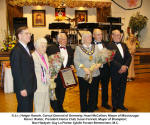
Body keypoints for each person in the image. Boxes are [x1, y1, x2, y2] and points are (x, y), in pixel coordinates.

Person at [10, 26, 37, 112]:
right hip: (24, 88)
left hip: (29, 86)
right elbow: (16, 72)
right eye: (26, 33)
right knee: (24, 110)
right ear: (19, 36)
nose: (29, 35)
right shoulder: (16, 50)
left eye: (29, 33)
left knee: (28, 110)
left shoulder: (26, 48)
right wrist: (22, 88)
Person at [74, 31, 101, 112]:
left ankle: (91, 110)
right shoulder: (78, 48)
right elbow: (76, 61)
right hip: (83, 75)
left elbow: (101, 59)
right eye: (87, 37)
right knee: (83, 94)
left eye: (90, 36)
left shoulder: (96, 47)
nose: (89, 38)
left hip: (95, 74)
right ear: (83, 38)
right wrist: (84, 68)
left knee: (93, 94)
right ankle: (84, 112)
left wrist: (98, 65)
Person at [46, 32, 74, 112]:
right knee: (54, 93)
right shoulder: (51, 48)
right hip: (55, 76)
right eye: (61, 39)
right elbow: (47, 61)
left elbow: (71, 60)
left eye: (65, 38)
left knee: (62, 93)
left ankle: (60, 108)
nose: (63, 40)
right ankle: (56, 110)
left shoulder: (69, 48)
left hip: (65, 75)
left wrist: (72, 65)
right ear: (58, 40)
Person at [107, 29, 131, 112]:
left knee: (122, 89)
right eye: (116, 35)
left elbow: (129, 57)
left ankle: (121, 104)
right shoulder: (109, 45)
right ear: (112, 36)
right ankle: (114, 106)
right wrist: (120, 67)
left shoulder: (124, 45)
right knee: (115, 89)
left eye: (119, 35)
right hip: (115, 71)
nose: (118, 37)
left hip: (124, 72)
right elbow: (111, 59)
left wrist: (125, 66)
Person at [92, 28, 111, 110]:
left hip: (105, 69)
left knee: (105, 87)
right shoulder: (90, 44)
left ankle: (105, 103)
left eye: (101, 34)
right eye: (98, 34)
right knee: (94, 88)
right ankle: (94, 104)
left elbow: (109, 56)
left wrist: (108, 57)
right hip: (95, 69)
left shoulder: (106, 44)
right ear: (93, 35)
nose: (100, 36)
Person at [32, 38, 50, 112]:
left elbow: (47, 68)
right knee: (39, 107)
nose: (44, 48)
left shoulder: (45, 55)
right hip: (38, 86)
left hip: (46, 85)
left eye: (45, 46)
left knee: (46, 106)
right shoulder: (33, 56)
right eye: (42, 46)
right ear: (37, 47)